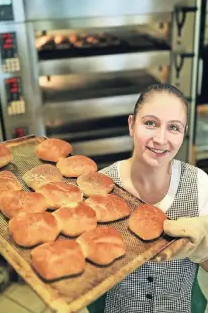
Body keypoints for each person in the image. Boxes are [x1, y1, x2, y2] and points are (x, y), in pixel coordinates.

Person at [88, 83, 208, 313]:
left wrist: (204, 246)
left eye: (174, 127)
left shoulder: (200, 183)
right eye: (150, 123)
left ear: (184, 133)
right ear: (132, 125)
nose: (161, 139)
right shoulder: (100, 188)